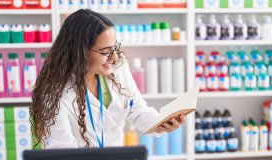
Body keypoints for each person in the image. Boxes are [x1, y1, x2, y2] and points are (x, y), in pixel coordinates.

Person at [30, 9, 185, 149]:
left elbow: (136, 109)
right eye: (105, 52)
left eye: (114, 48)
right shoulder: (54, 93)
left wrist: (161, 123)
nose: (115, 57)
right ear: (79, 51)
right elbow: (63, 152)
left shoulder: (118, 67)